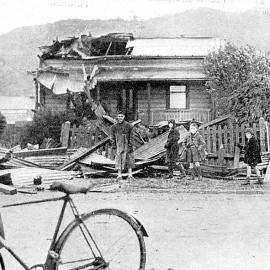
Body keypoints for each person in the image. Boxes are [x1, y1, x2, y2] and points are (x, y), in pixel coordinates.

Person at [111, 111, 135, 181]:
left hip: (127, 144)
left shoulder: (129, 125)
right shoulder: (114, 126)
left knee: (129, 159)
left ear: (124, 117)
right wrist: (114, 145)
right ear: (117, 117)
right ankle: (119, 175)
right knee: (119, 159)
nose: (120, 118)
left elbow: (131, 136)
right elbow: (112, 137)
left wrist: (130, 145)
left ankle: (130, 175)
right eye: (119, 116)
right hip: (118, 145)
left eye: (122, 116)